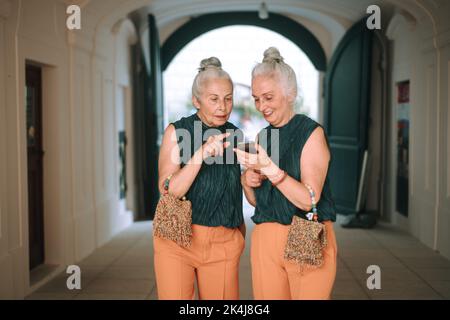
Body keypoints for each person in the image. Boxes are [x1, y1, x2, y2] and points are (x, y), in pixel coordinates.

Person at [234, 47, 338, 300]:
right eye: (256, 98)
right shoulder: (263, 136)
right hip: (265, 240)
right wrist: (247, 182)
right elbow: (261, 201)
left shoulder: (311, 133)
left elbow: (308, 200)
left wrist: (269, 168)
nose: (261, 106)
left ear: (290, 93)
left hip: (305, 234)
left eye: (268, 97)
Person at [154, 57, 245, 300]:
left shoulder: (235, 134)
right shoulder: (176, 131)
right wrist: (201, 153)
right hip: (176, 241)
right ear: (196, 100)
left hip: (222, 243)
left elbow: (234, 190)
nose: (223, 107)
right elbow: (168, 188)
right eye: (214, 99)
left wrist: (237, 236)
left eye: (228, 98)